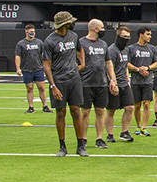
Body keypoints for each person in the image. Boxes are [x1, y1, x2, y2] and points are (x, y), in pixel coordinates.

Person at [43, 11, 87, 157]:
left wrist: (82, 64)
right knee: (61, 113)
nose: (73, 23)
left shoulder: (74, 36)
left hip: (74, 79)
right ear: (64, 24)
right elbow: (46, 65)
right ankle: (62, 146)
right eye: (70, 21)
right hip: (59, 81)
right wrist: (53, 85)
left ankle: (81, 145)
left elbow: (80, 51)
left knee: (76, 111)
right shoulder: (49, 41)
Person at [78, 19, 114, 150]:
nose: (104, 29)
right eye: (102, 27)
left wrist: (112, 80)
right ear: (95, 29)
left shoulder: (103, 44)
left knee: (100, 111)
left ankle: (99, 138)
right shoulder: (81, 43)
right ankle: (83, 139)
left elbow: (108, 62)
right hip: (85, 83)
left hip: (101, 83)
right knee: (85, 112)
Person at [127, 26, 157, 137]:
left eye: (150, 34)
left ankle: (144, 127)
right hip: (135, 81)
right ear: (141, 35)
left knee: (146, 104)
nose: (150, 36)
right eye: (148, 34)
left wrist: (148, 68)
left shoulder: (152, 48)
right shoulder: (131, 48)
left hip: (148, 81)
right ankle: (138, 126)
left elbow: (156, 63)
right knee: (137, 105)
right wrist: (138, 69)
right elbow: (127, 63)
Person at [108, 25, 135, 142]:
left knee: (130, 107)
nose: (126, 39)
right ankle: (109, 134)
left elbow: (125, 66)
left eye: (128, 37)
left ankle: (124, 132)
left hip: (124, 83)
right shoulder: (111, 50)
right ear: (118, 36)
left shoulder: (126, 50)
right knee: (111, 110)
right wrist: (112, 82)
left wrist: (127, 79)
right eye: (124, 36)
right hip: (114, 83)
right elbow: (109, 68)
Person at [16, 23, 50, 114]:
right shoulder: (21, 44)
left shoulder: (39, 42)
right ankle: (31, 107)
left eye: (34, 31)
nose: (33, 33)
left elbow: (44, 56)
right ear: (26, 32)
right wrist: (18, 68)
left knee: (42, 87)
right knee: (29, 88)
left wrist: (45, 66)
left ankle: (45, 106)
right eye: (31, 32)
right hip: (27, 69)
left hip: (38, 68)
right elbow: (18, 56)